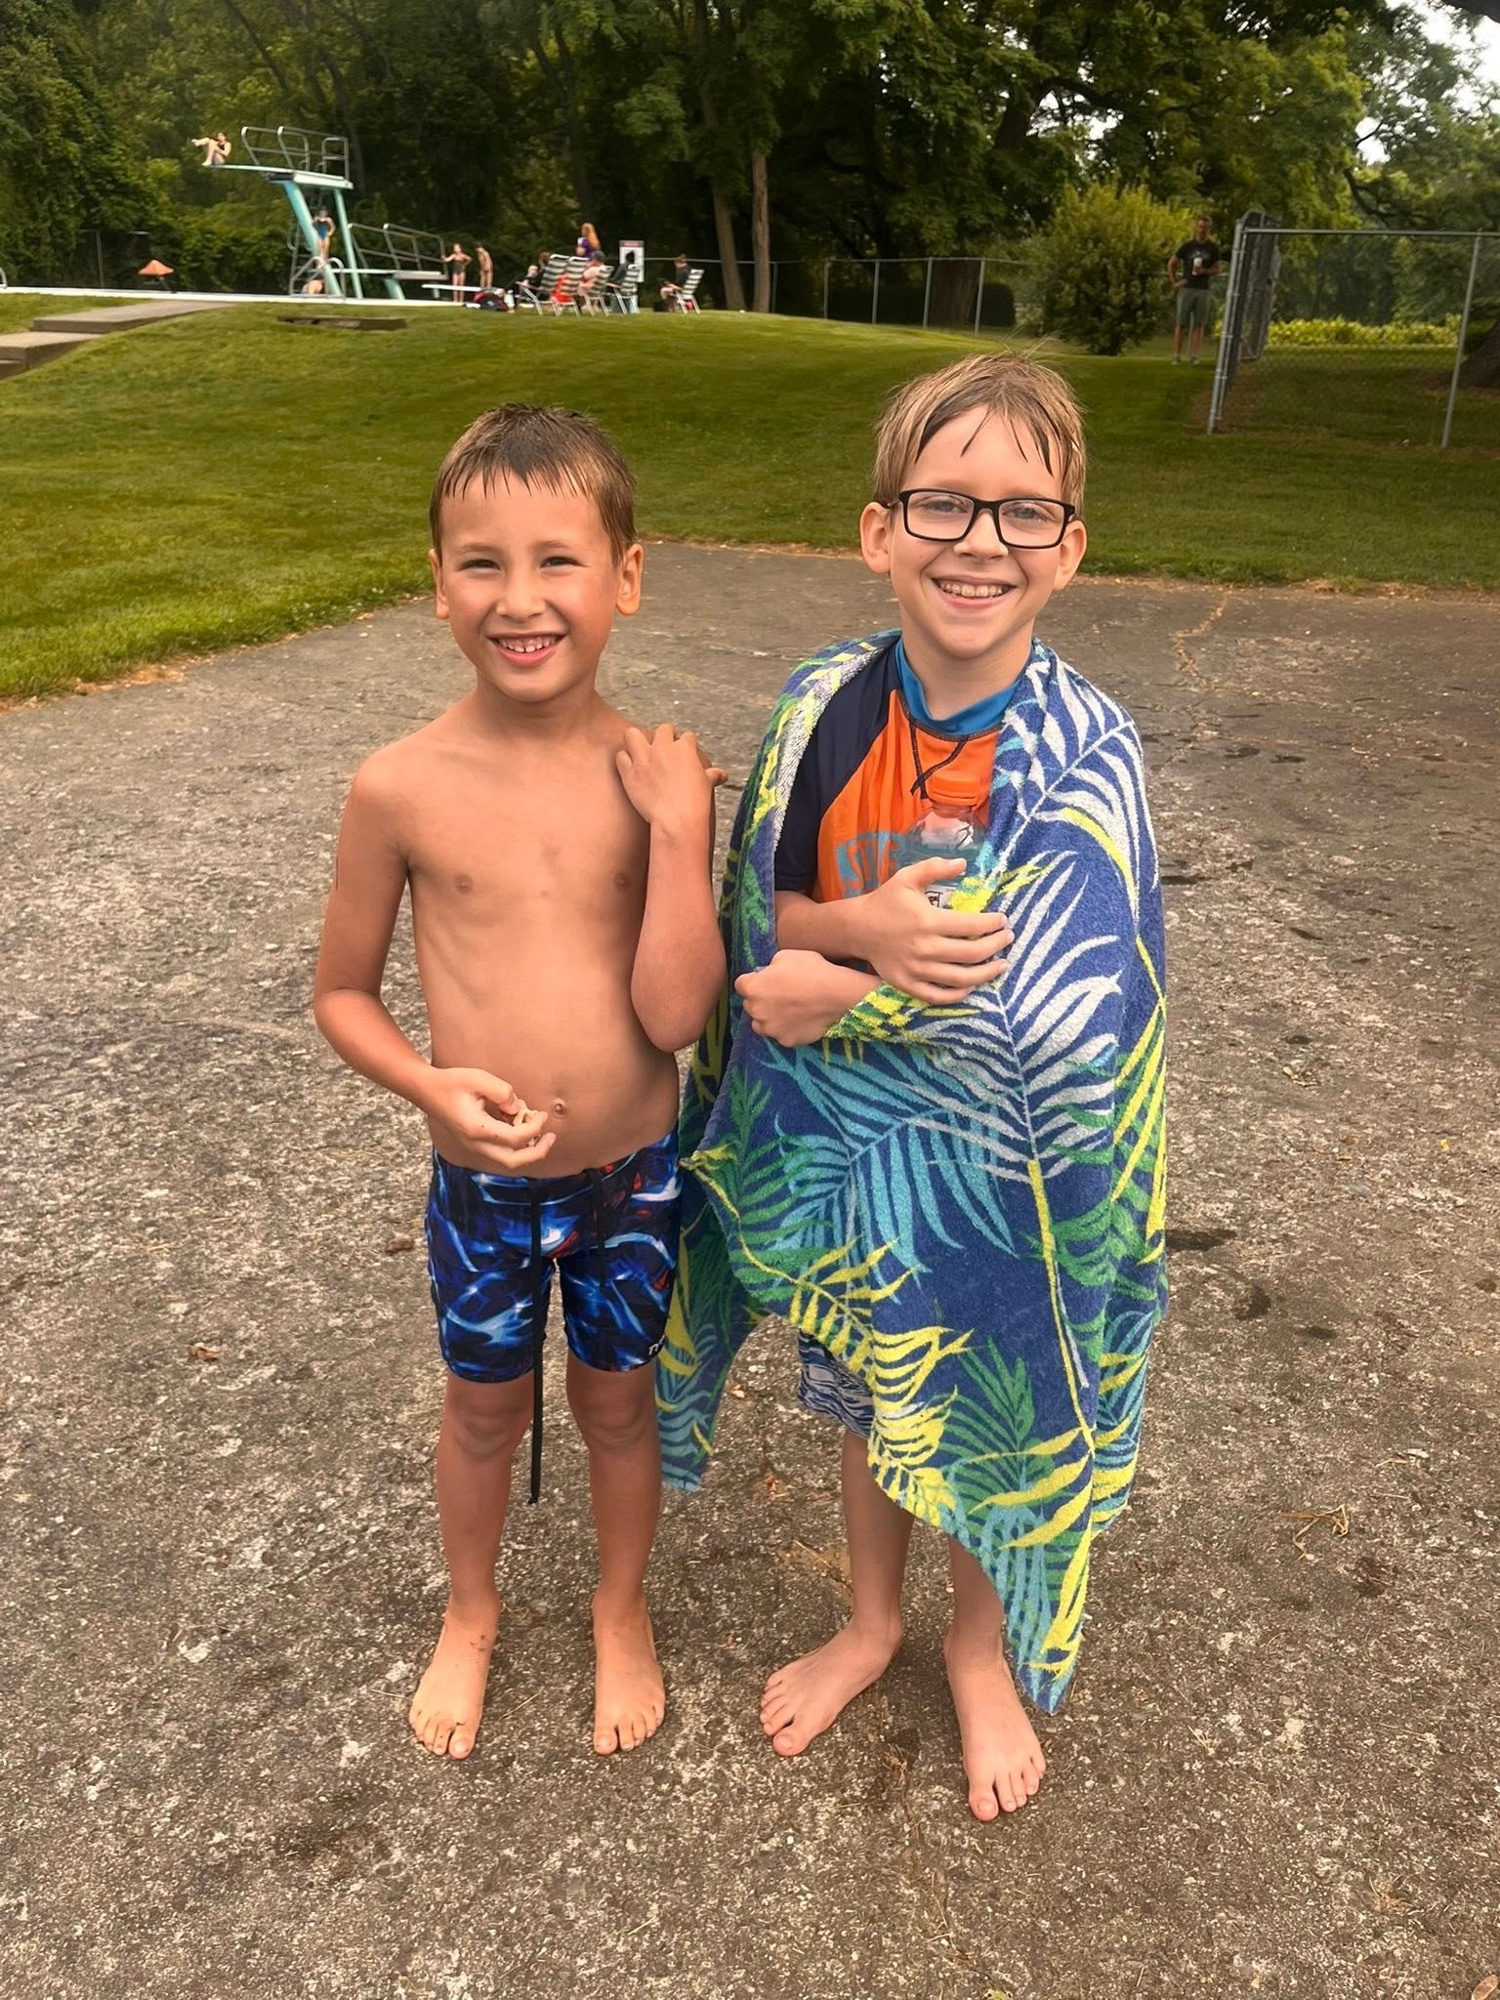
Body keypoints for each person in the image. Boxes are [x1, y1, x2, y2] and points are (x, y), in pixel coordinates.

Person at [657, 353, 1168, 1822]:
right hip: (857, 1173)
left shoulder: (1088, 755)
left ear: (1070, 548)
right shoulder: (823, 705)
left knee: (988, 1407)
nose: (980, 542)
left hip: (1001, 1193)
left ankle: (974, 1644)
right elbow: (768, 909)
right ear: (880, 530)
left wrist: (847, 990)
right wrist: (856, 938)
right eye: (944, 503)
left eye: (1022, 512)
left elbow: (1070, 1022)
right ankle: (873, 1620)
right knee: (875, 1402)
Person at [314, 404, 726, 1764]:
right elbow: (342, 994)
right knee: (483, 1408)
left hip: (630, 1177)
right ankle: (472, 1608)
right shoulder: (400, 786)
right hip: (482, 1186)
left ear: (627, 575)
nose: (521, 597)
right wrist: (430, 1087)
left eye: (559, 559)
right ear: (437, 584)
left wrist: (682, 836)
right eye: (482, 562)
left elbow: (676, 1013)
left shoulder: (656, 780)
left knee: (617, 1402)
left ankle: (619, 1605)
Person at [1169, 215, 1221, 365]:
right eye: (1200, 227)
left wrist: (1204, 271)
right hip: (1187, 288)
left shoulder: (1212, 248)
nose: (1202, 230)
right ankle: (1176, 355)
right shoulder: (1187, 246)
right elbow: (1172, 263)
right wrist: (1174, 282)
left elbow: (1217, 269)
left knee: (1199, 324)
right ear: (1196, 227)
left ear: (1209, 229)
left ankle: (1194, 355)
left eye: (1205, 228)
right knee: (1181, 323)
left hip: (1203, 289)